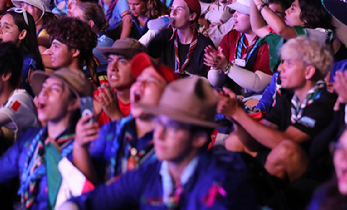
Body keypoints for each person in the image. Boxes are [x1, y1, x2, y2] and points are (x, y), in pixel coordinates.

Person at [62, 76, 258, 210]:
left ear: (199, 138)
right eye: (159, 123)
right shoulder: (152, 174)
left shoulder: (220, 185)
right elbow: (91, 201)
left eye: (172, 127)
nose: (159, 133)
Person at [0, 68, 93, 210]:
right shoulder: (30, 139)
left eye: (54, 89)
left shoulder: (87, 144)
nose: (42, 94)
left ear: (74, 103)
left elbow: (90, 195)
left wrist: (79, 149)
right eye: (43, 88)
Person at [218, 36, 336, 181]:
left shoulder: (324, 103)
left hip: (312, 177)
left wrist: (239, 114)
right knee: (234, 140)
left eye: (289, 63)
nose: (280, 68)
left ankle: (264, 200)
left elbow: (287, 141)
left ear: (309, 72)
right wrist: (236, 118)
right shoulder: (287, 98)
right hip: (279, 158)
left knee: (285, 151)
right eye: (282, 62)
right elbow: (255, 142)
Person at [72, 51, 178, 184]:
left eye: (150, 81)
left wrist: (114, 114)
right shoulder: (110, 129)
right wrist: (80, 146)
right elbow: (88, 183)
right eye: (139, 79)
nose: (140, 84)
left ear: (168, 97)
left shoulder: (171, 145)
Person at [205, 0, 272, 95]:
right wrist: (216, 66)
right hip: (233, 96)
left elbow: (259, 84)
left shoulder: (270, 42)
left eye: (241, 11)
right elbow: (215, 82)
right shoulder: (232, 36)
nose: (235, 15)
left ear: (256, 16)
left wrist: (227, 67)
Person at [146, 0, 214, 77]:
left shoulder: (204, 45)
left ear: (192, 16)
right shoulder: (166, 35)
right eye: (172, 9)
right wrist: (152, 32)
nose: (173, 13)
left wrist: (188, 76)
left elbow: (210, 81)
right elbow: (134, 53)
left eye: (179, 9)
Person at [95, 38, 146, 125]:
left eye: (122, 62)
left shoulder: (148, 103)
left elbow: (136, 138)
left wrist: (115, 114)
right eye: (110, 61)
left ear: (138, 68)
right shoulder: (101, 95)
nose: (112, 67)